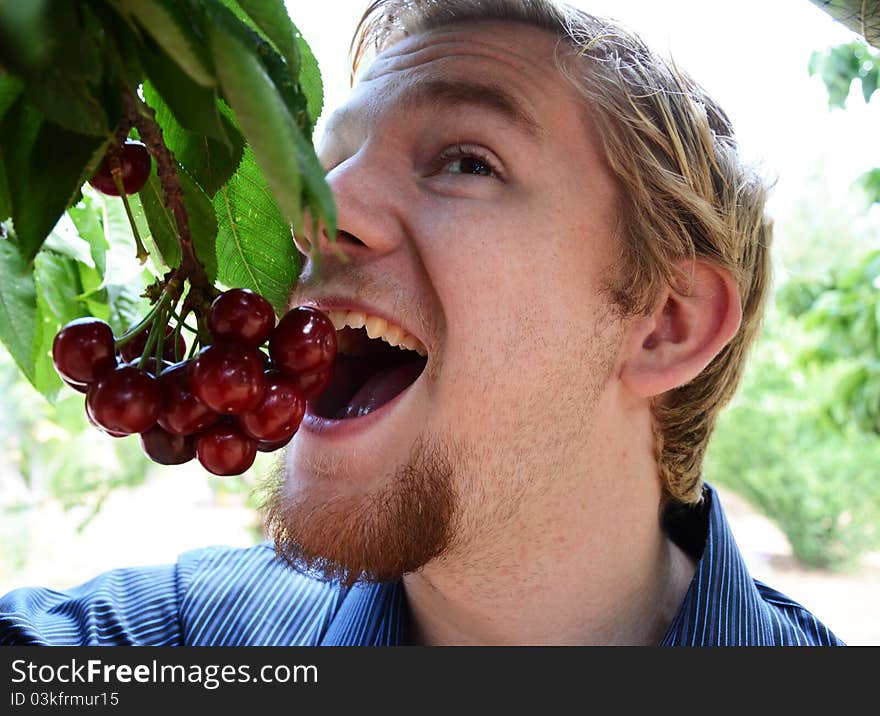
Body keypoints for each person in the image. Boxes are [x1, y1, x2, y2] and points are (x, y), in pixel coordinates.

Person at [0, 0, 843, 646]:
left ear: (667, 324)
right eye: (322, 164)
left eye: (466, 162)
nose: (314, 214)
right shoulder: (181, 640)